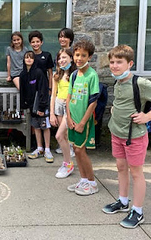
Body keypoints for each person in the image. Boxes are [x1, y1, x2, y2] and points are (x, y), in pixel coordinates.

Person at [103, 45, 151, 229]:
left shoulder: (140, 83)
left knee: (136, 172)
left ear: (130, 63)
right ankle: (123, 200)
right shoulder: (118, 82)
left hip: (134, 136)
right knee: (120, 167)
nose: (115, 66)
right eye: (112, 62)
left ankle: (138, 211)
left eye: (119, 62)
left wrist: (147, 116)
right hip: (117, 132)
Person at [66, 40, 99, 196]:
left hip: (83, 121)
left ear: (89, 57)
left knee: (81, 150)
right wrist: (68, 118)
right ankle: (83, 179)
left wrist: (82, 122)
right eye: (77, 54)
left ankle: (92, 182)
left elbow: (93, 102)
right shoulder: (73, 75)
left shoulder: (92, 75)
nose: (79, 58)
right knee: (76, 150)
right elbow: (68, 98)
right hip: (72, 120)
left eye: (83, 55)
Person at [20, 51, 52, 162]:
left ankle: (47, 149)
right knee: (36, 127)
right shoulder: (23, 74)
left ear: (34, 60)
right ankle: (39, 148)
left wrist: (42, 107)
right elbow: (23, 92)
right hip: (31, 107)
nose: (28, 59)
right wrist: (23, 105)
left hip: (40, 105)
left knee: (45, 126)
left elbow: (43, 89)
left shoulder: (38, 73)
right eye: (26, 58)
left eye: (31, 58)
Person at [27, 30, 54, 163]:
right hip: (34, 94)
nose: (35, 44)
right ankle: (39, 147)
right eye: (33, 42)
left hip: (44, 93)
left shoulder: (47, 56)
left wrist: (50, 89)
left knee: (45, 122)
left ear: (41, 42)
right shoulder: (29, 56)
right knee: (36, 122)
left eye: (38, 41)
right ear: (30, 43)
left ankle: (48, 149)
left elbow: (50, 73)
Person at [50, 48, 76, 178]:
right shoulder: (57, 74)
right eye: (59, 58)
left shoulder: (75, 74)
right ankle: (67, 163)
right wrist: (52, 113)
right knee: (63, 137)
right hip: (59, 106)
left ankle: (68, 164)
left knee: (59, 136)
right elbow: (53, 95)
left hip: (69, 107)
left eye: (64, 57)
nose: (62, 60)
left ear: (71, 58)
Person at [55, 27, 74, 155]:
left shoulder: (73, 54)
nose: (62, 39)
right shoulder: (59, 54)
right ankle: (63, 145)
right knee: (61, 125)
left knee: (67, 126)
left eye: (65, 36)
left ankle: (70, 147)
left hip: (69, 99)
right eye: (60, 37)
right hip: (59, 96)